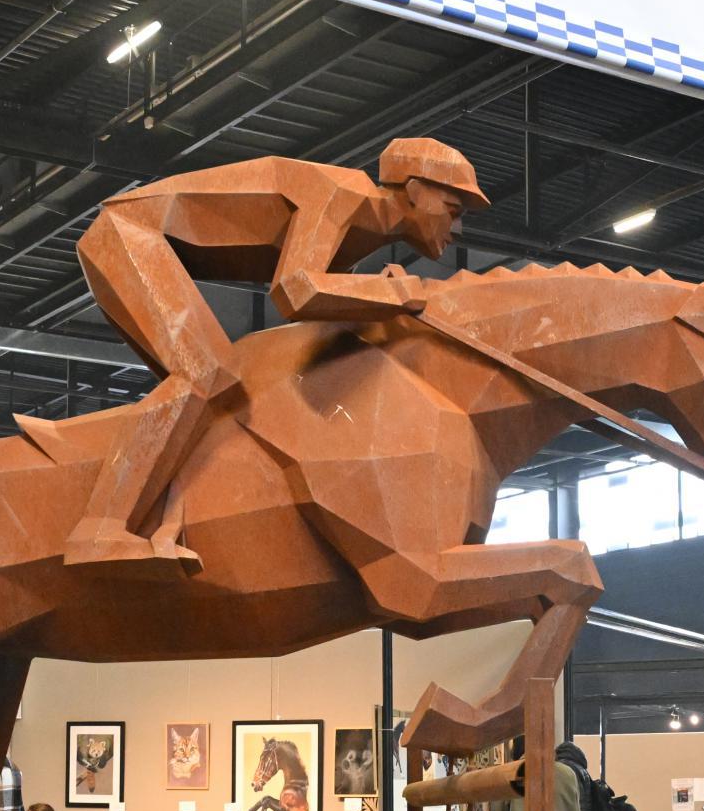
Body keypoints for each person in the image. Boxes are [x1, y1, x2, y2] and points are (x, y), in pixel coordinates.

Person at [63, 139, 486, 570]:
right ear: (413, 190)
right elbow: (295, 289)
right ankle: (98, 532)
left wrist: (379, 294)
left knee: (210, 398)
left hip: (142, 241)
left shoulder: (363, 232)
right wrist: (393, 292)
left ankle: (165, 524)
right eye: (453, 209)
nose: (458, 229)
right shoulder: (343, 194)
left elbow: (325, 308)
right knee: (204, 375)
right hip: (129, 235)